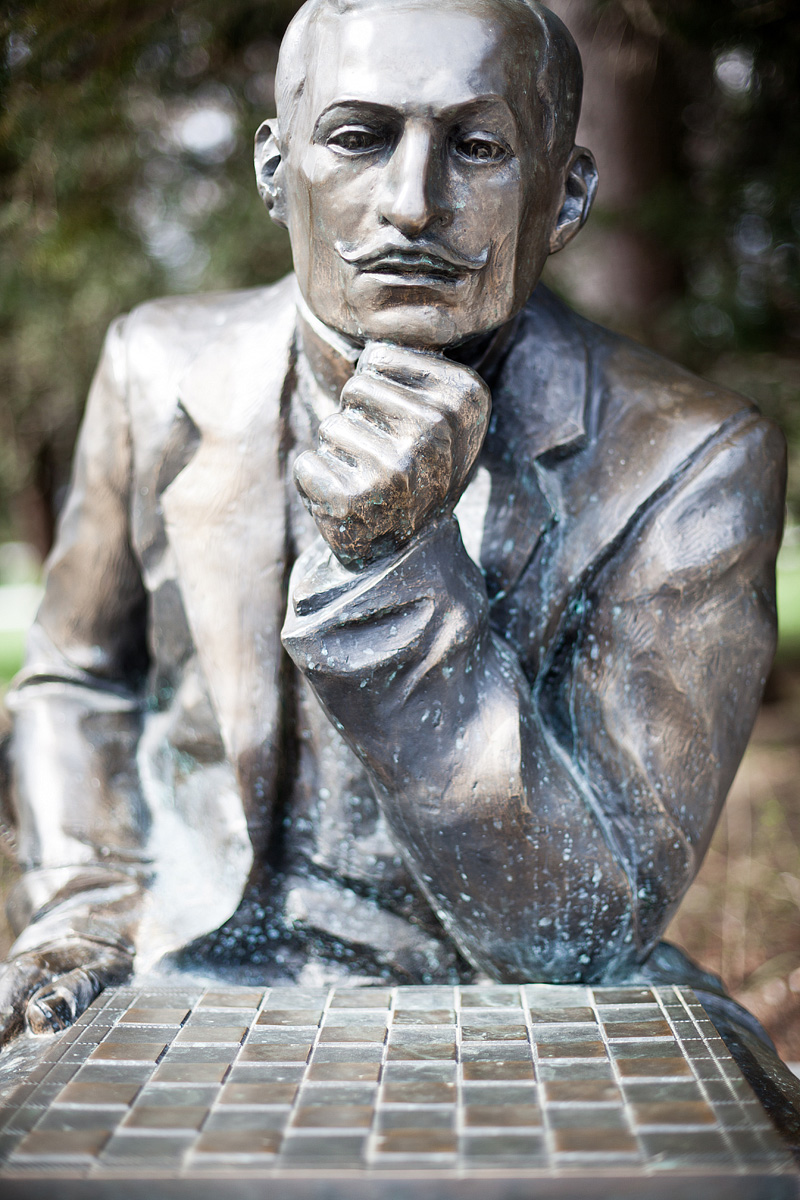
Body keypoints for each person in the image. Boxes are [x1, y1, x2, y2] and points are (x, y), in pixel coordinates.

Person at [0, 0, 786, 1050]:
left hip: (509, 1004)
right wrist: (83, 909)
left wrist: (396, 562)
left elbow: (581, 937)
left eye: (477, 147)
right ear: (276, 170)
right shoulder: (157, 367)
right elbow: (78, 681)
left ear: (564, 195)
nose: (412, 204)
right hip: (184, 955)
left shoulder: (691, 459)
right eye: (360, 137)